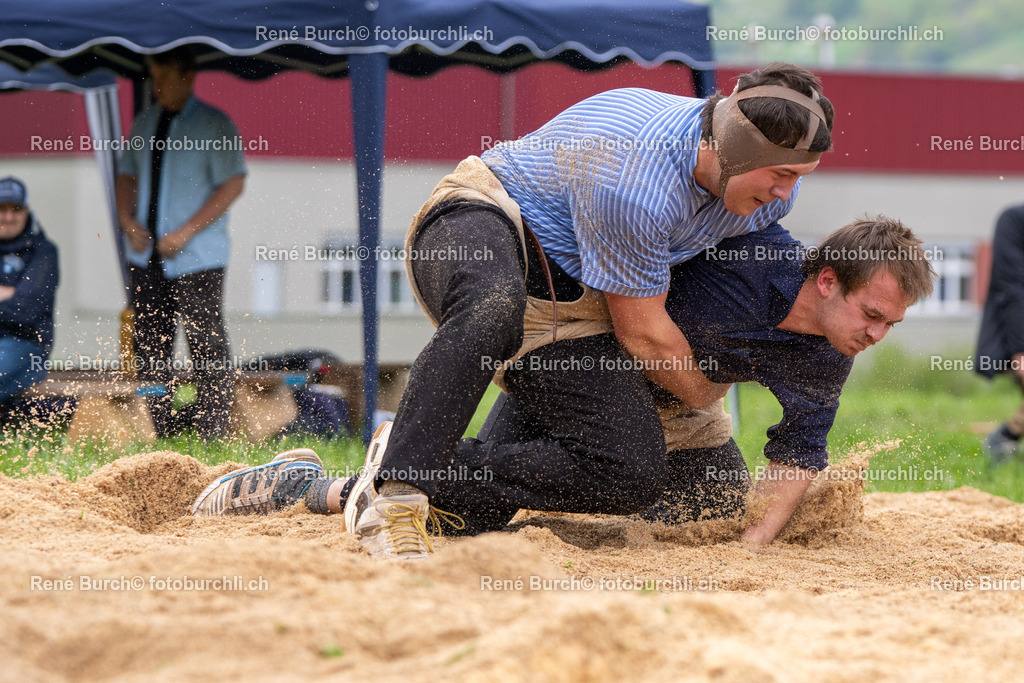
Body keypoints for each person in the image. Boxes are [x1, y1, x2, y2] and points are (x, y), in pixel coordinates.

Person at [192, 62, 836, 557]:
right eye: (781, 173)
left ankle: (306, 489)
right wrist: (707, 385)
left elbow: (706, 294)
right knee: (496, 312)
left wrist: (796, 358)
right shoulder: (634, 183)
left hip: (576, 310)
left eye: (801, 175)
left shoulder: (763, 195)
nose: (790, 191)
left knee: (693, 493)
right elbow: (643, 335)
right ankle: (395, 489)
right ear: (731, 152)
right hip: (489, 227)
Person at [116, 47, 246, 439]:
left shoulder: (214, 124)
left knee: (206, 343)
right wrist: (125, 220)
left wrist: (187, 232)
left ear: (188, 76)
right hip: (145, 254)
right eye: (153, 77)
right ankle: (157, 428)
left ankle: (213, 432)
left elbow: (233, 183)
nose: (157, 86)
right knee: (151, 343)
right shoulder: (144, 121)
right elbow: (126, 176)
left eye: (165, 77)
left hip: (197, 257)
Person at [0, 176, 59, 407]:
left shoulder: (43, 252)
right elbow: (18, 302)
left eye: (16, 209)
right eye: (2, 209)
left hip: (27, 346)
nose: (8, 217)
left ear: (27, 211)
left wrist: (17, 298)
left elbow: (27, 311)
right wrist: (12, 293)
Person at [977, 204, 1024, 463]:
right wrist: (1021, 349)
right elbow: (1012, 289)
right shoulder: (1015, 221)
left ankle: (1006, 438)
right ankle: (1004, 440)